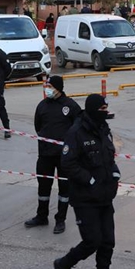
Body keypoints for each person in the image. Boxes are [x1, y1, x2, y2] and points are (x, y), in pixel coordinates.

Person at [54, 94, 120, 269]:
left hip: (106, 195)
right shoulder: (76, 132)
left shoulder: (104, 128)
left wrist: (115, 173)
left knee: (108, 242)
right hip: (85, 197)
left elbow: (109, 156)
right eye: (102, 109)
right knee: (92, 241)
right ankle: (64, 264)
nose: (105, 113)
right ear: (93, 110)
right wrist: (90, 180)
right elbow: (68, 163)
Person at [25, 76, 82, 234]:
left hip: (64, 156)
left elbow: (79, 127)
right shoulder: (42, 106)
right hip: (45, 154)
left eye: (49, 86)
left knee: (64, 188)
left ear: (58, 87)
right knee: (44, 186)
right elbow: (38, 126)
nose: (47, 88)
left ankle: (60, 220)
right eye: (46, 85)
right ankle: (41, 216)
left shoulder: (70, 106)